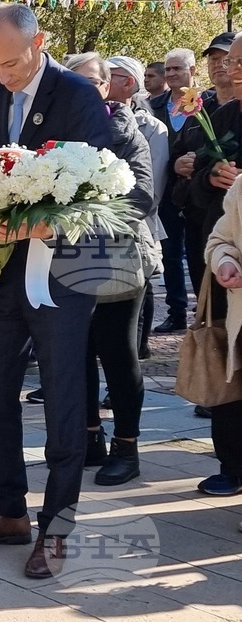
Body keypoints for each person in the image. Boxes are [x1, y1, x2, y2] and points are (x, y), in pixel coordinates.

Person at [0, 4, 111, 579]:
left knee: (64, 396)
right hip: (3, 270)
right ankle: (7, 508)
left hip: (64, 271)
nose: (5, 76)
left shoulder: (76, 95)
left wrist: (44, 217)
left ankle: (56, 527)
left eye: (13, 63)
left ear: (40, 41)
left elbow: (104, 179)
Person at [65, 52, 156, 486]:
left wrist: (84, 212)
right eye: (73, 83)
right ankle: (89, 437)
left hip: (117, 255)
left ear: (106, 87)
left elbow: (142, 198)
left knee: (117, 353)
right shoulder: (57, 133)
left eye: (91, 83)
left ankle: (127, 445)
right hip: (66, 258)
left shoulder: (126, 132)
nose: (81, 92)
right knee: (76, 351)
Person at [188, 34, 242, 496]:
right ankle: (230, 461)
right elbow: (190, 192)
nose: (234, 69)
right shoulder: (219, 117)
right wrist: (210, 175)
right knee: (226, 358)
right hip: (225, 259)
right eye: (232, 61)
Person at [106, 56, 169, 361]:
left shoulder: (151, 128)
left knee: (132, 315)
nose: (104, 82)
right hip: (98, 237)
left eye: (110, 75)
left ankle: (133, 362)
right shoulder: (90, 120)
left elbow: (151, 187)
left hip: (138, 229)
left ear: (129, 82)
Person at [151, 48, 199, 332]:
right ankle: (176, 312)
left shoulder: (206, 104)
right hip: (166, 190)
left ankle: (203, 312)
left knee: (197, 253)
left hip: (196, 193)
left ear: (192, 71)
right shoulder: (154, 106)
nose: (170, 75)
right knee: (169, 254)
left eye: (177, 69)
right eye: (167, 70)